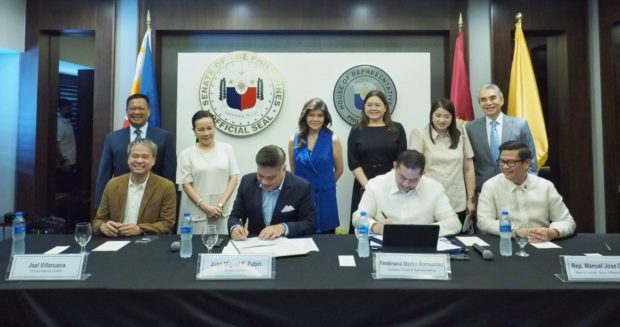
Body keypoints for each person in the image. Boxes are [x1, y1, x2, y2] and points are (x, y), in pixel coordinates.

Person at [477, 141, 576, 242]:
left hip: (541, 243)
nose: (505, 167)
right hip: (507, 243)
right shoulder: (490, 186)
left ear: (526, 163)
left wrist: (553, 232)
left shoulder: (545, 186)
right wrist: (516, 231)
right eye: (501, 162)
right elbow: (484, 222)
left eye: (511, 162)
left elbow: (566, 220)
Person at [352, 150, 462, 237]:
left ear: (422, 174)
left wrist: (425, 232)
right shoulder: (376, 185)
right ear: (395, 167)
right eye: (402, 177)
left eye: (413, 180)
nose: (406, 184)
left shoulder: (434, 188)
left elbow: (454, 223)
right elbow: (357, 217)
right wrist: (375, 227)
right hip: (384, 246)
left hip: (421, 247)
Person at [95, 93, 176, 208]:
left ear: (149, 111)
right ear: (127, 112)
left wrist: (169, 205)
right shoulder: (112, 138)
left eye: (141, 108)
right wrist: (99, 206)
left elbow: (169, 174)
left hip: (154, 200)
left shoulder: (164, 137)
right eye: (132, 108)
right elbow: (104, 175)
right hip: (120, 200)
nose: (137, 112)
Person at [347, 90, 407, 233]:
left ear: (385, 108)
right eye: (369, 105)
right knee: (362, 223)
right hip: (363, 182)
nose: (373, 108)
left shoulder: (397, 128)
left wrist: (387, 183)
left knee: (389, 224)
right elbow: (353, 162)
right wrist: (368, 186)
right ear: (364, 108)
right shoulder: (356, 130)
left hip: (390, 182)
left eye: (377, 105)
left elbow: (401, 160)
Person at [228, 145, 316, 241]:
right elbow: (236, 216)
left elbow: (310, 224)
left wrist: (283, 228)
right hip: (255, 246)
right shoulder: (247, 182)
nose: (264, 182)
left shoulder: (301, 187)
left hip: (287, 247)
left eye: (271, 177)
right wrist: (235, 228)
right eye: (260, 175)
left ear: (284, 169)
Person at [409, 98, 475, 224]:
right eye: (437, 115)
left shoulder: (460, 135)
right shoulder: (420, 135)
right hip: (428, 199)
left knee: (457, 240)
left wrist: (470, 199)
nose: (442, 120)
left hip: (456, 200)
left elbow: (469, 168)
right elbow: (413, 171)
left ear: (452, 118)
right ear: (431, 116)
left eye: (447, 116)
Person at [92, 138, 177, 236]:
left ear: (153, 160)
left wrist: (140, 229)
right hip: (116, 240)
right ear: (128, 159)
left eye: (145, 157)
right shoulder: (113, 184)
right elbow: (98, 220)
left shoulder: (166, 187)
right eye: (135, 156)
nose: (139, 161)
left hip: (147, 242)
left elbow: (167, 224)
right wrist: (103, 226)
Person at [466, 83, 537, 192]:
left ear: (502, 100)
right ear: (479, 103)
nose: (488, 103)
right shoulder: (470, 128)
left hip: (517, 187)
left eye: (492, 98)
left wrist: (530, 187)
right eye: (483, 100)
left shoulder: (520, 125)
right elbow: (470, 162)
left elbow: (530, 158)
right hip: (483, 190)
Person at [177, 110, 239, 234]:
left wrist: (220, 205)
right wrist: (206, 208)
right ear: (194, 131)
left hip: (223, 212)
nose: (206, 133)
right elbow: (186, 185)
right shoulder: (186, 154)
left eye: (209, 128)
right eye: (201, 129)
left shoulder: (227, 149)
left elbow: (234, 178)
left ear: (215, 128)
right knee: (197, 248)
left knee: (224, 249)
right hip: (198, 213)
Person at [288, 98, 343, 234]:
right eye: (311, 115)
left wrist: (325, 184)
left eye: (320, 115)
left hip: (325, 197)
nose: (315, 119)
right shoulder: (293, 139)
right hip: (302, 197)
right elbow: (294, 170)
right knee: (302, 236)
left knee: (327, 242)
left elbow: (340, 170)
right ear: (305, 117)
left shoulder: (333, 139)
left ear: (325, 118)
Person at [56, 98, 77, 193]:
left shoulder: (66, 122)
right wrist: (62, 161)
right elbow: (56, 144)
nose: (70, 110)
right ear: (61, 108)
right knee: (64, 191)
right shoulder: (59, 123)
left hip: (71, 161)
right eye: (68, 107)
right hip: (63, 163)